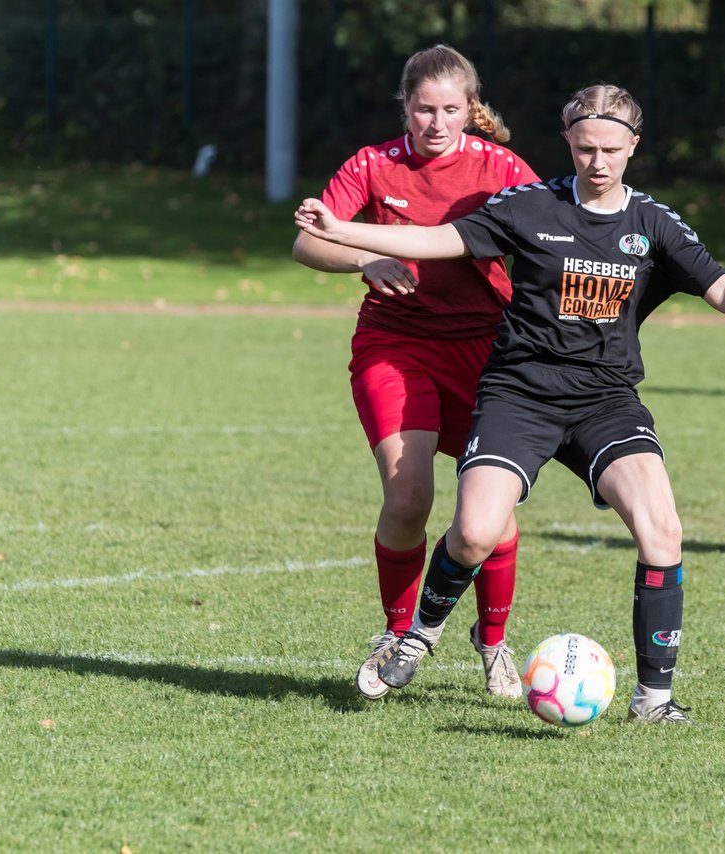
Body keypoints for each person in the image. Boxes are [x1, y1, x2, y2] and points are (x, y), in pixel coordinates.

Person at [296, 83, 725, 724]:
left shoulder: (652, 223)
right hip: (520, 395)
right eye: (585, 148)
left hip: (605, 401)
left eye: (611, 149)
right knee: (475, 533)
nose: (598, 162)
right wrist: (347, 234)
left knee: (661, 529)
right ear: (568, 142)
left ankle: (654, 699)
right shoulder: (528, 206)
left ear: (632, 147)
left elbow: (717, 282)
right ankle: (420, 634)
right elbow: (440, 239)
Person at [291, 45, 542, 700]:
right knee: (408, 497)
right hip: (394, 345)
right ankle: (397, 635)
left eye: (451, 109)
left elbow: (551, 236)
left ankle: (492, 643)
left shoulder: (501, 168)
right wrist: (362, 260)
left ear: (470, 109)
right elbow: (309, 240)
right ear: (405, 106)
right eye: (424, 108)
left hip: (487, 350)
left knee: (490, 512)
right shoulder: (374, 164)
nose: (436, 122)